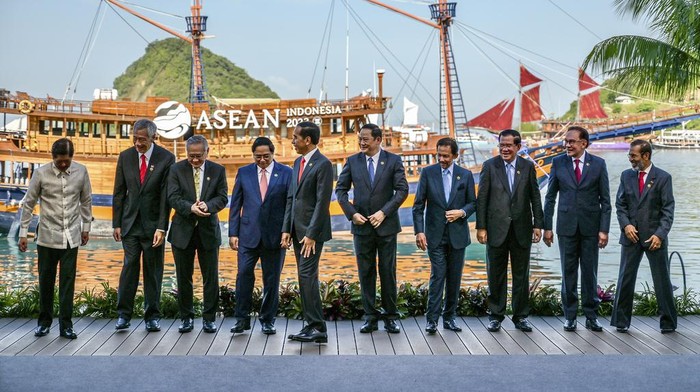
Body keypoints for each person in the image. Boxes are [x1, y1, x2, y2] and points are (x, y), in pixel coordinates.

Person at [336, 123, 409, 334]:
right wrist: (352, 214)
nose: (361, 142)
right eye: (360, 139)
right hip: (361, 228)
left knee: (388, 272)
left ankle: (390, 317)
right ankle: (369, 317)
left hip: (386, 227)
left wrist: (384, 212)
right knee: (365, 272)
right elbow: (340, 190)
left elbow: (402, 190)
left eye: (365, 139)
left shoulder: (394, 160)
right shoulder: (352, 161)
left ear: (378, 140)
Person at [19, 138, 92, 339]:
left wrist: (86, 228)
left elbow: (86, 201)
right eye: (59, 161)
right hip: (46, 237)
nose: (63, 165)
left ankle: (66, 326)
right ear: (53, 157)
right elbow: (29, 203)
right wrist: (24, 233)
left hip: (72, 237)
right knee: (46, 281)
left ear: (71, 157)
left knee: (68, 282)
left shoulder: (82, 171)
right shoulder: (41, 173)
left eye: (66, 161)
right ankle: (44, 323)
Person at [543, 126, 611, 332]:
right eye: (566, 141)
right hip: (566, 228)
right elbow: (550, 197)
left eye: (572, 141)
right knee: (568, 273)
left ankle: (591, 316)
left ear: (584, 143)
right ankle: (570, 316)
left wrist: (604, 230)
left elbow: (605, 201)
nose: (567, 145)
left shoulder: (598, 164)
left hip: (591, 228)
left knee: (590, 273)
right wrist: (547, 227)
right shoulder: (558, 163)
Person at [476, 129, 543, 332]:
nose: (505, 149)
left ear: (518, 147)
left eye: (509, 145)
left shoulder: (528, 166)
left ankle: (520, 316)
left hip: (522, 229)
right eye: (502, 145)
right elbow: (482, 199)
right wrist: (481, 227)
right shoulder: (489, 166)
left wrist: (538, 224)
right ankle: (496, 315)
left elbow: (535, 197)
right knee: (496, 274)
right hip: (496, 229)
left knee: (521, 275)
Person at [113, 119, 175, 332]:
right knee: (129, 268)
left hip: (153, 227)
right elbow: (119, 193)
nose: (138, 143)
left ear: (153, 137)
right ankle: (123, 315)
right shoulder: (125, 157)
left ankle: (152, 317)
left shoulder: (166, 158)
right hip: (129, 224)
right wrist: (116, 223)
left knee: (153, 271)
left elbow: (166, 197)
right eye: (135, 138)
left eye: (142, 139)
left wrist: (161, 227)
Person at [611, 139, 677, 333]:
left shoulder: (663, 178)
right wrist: (626, 226)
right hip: (630, 236)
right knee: (625, 279)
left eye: (633, 155)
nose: (630, 159)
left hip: (655, 238)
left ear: (646, 156)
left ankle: (668, 324)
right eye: (629, 155)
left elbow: (668, 210)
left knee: (662, 281)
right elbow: (620, 205)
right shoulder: (626, 176)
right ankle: (621, 322)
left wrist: (660, 234)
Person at [228, 137, 292, 335]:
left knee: (271, 280)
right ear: (253, 155)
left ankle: (267, 320)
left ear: (273, 154)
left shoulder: (286, 173)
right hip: (248, 235)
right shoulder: (243, 172)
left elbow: (290, 204)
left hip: (275, 236)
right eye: (258, 157)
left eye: (266, 156)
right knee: (243, 275)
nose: (262, 160)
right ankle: (242, 319)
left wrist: (287, 230)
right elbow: (235, 205)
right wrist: (233, 232)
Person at [412, 137, 476, 334]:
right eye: (439, 155)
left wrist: (461, 212)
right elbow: (418, 205)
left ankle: (450, 319)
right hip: (434, 235)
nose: (441, 159)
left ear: (455, 156)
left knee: (454, 279)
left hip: (458, 235)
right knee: (438, 276)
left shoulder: (465, 175)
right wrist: (419, 231)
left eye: (446, 156)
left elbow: (473, 203)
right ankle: (431, 320)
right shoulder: (428, 173)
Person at [167, 135, 228, 334]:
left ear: (207, 152)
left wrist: (208, 206)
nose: (194, 160)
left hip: (208, 231)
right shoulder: (176, 169)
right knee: (184, 277)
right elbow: (172, 197)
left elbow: (223, 197)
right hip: (182, 231)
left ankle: (209, 319)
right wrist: (190, 208)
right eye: (191, 156)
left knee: (210, 277)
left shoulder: (218, 170)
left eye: (198, 156)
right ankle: (186, 318)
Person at [282, 121, 333, 343]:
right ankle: (312, 325)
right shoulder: (297, 162)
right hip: (296, 231)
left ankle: (317, 327)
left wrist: (311, 234)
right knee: (305, 278)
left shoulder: (324, 164)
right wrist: (286, 229)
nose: (292, 141)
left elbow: (323, 202)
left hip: (311, 234)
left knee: (307, 277)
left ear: (308, 140)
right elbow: (292, 198)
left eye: (295, 137)